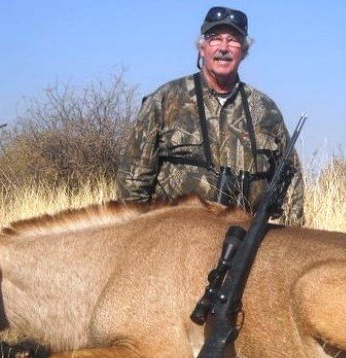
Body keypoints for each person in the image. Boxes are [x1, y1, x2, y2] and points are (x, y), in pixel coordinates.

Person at [116, 6, 305, 224]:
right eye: (215, 38)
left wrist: (292, 237)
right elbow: (132, 184)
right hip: (173, 242)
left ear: (244, 51)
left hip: (246, 243)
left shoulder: (266, 110)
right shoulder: (165, 100)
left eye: (233, 40)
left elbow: (291, 183)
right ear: (201, 48)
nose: (224, 48)